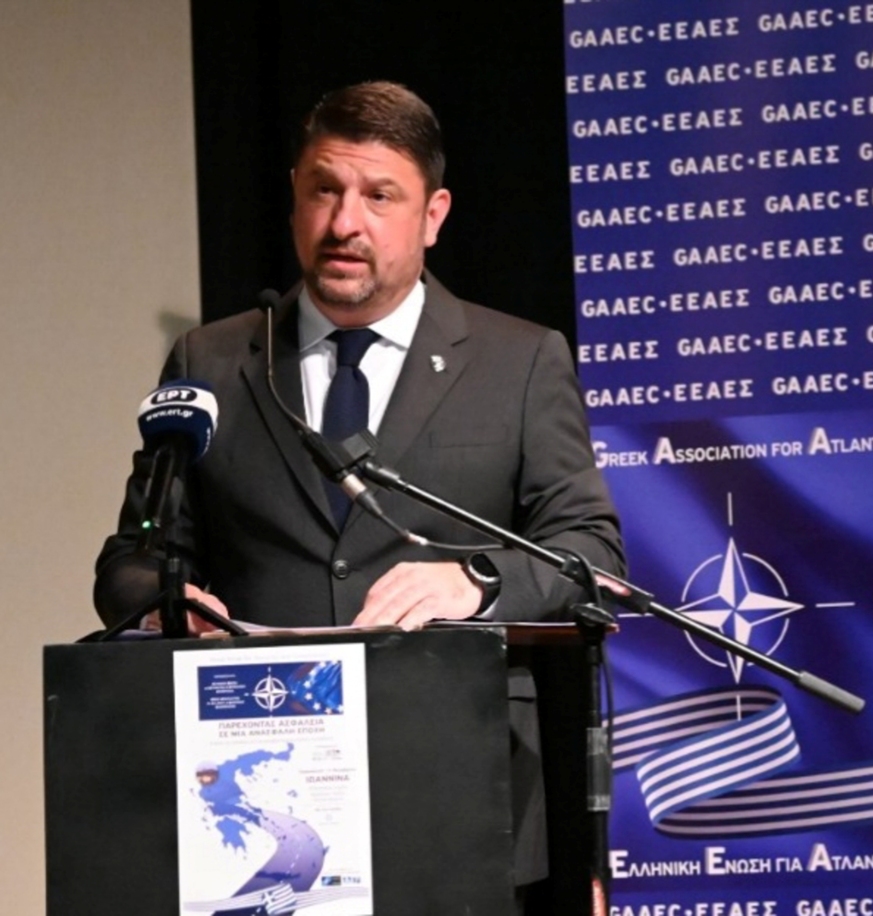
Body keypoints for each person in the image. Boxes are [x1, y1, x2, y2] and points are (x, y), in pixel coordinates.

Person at [94, 80, 625, 895]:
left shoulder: (519, 362)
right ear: (296, 198)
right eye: (324, 190)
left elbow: (590, 553)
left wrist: (475, 580)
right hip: (261, 799)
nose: (345, 222)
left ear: (433, 215)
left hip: (458, 791)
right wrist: (165, 600)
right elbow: (131, 557)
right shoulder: (214, 361)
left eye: (380, 196)